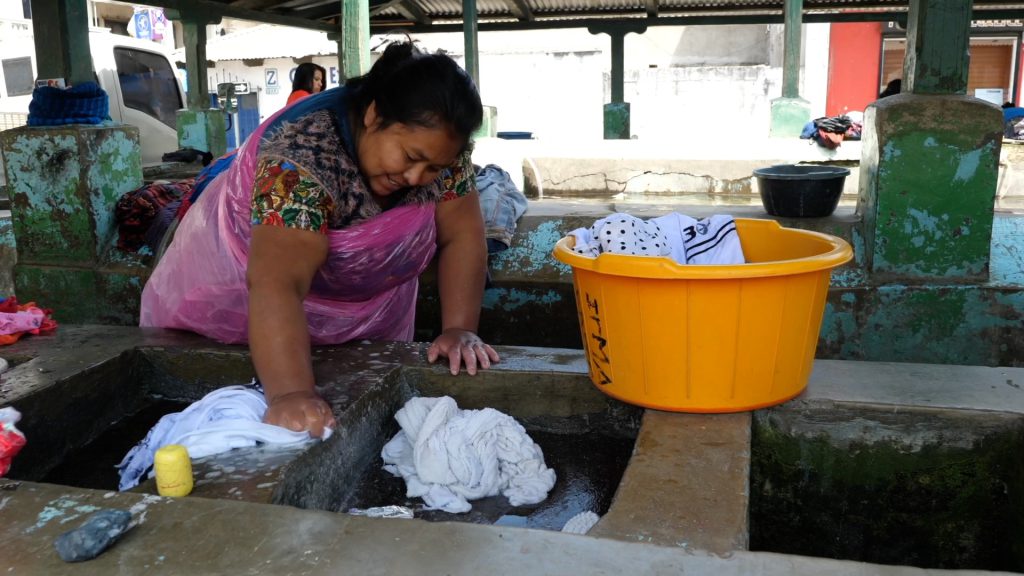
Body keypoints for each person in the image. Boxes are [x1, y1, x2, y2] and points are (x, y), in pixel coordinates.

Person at [140, 42, 500, 438]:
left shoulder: (443, 151)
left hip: (366, 311)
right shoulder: (301, 155)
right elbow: (278, 282)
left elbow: (463, 235)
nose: (416, 177)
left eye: (433, 167)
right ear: (374, 114)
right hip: (246, 296)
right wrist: (290, 394)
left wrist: (459, 330)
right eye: (409, 157)